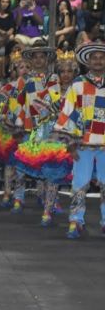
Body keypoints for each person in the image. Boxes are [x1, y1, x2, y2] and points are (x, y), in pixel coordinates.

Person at [1, 46, 61, 220]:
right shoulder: (24, 79)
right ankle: (18, 197)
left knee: (46, 166)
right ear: (31, 60)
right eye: (35, 57)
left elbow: (53, 100)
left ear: (47, 60)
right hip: (27, 128)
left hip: (47, 128)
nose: (39, 60)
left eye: (42, 57)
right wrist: (13, 122)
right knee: (21, 165)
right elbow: (17, 102)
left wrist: (34, 108)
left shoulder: (53, 78)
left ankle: (47, 200)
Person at [53, 42, 105, 238]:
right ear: (88, 61)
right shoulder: (77, 84)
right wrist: (69, 144)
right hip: (82, 145)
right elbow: (67, 115)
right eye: (94, 57)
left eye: (101, 57)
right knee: (79, 185)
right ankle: (75, 221)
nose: (98, 60)